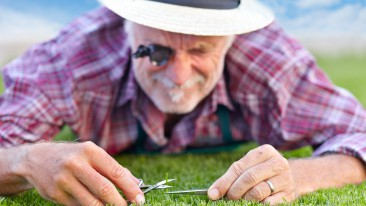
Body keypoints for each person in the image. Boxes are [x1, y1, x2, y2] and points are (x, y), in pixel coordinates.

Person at [0, 0, 365, 205]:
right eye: (156, 51)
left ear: (230, 40)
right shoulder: (70, 60)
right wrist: (26, 159)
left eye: (201, 51)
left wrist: (297, 175)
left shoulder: (271, 61)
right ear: (127, 30)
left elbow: (359, 135)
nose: (178, 76)